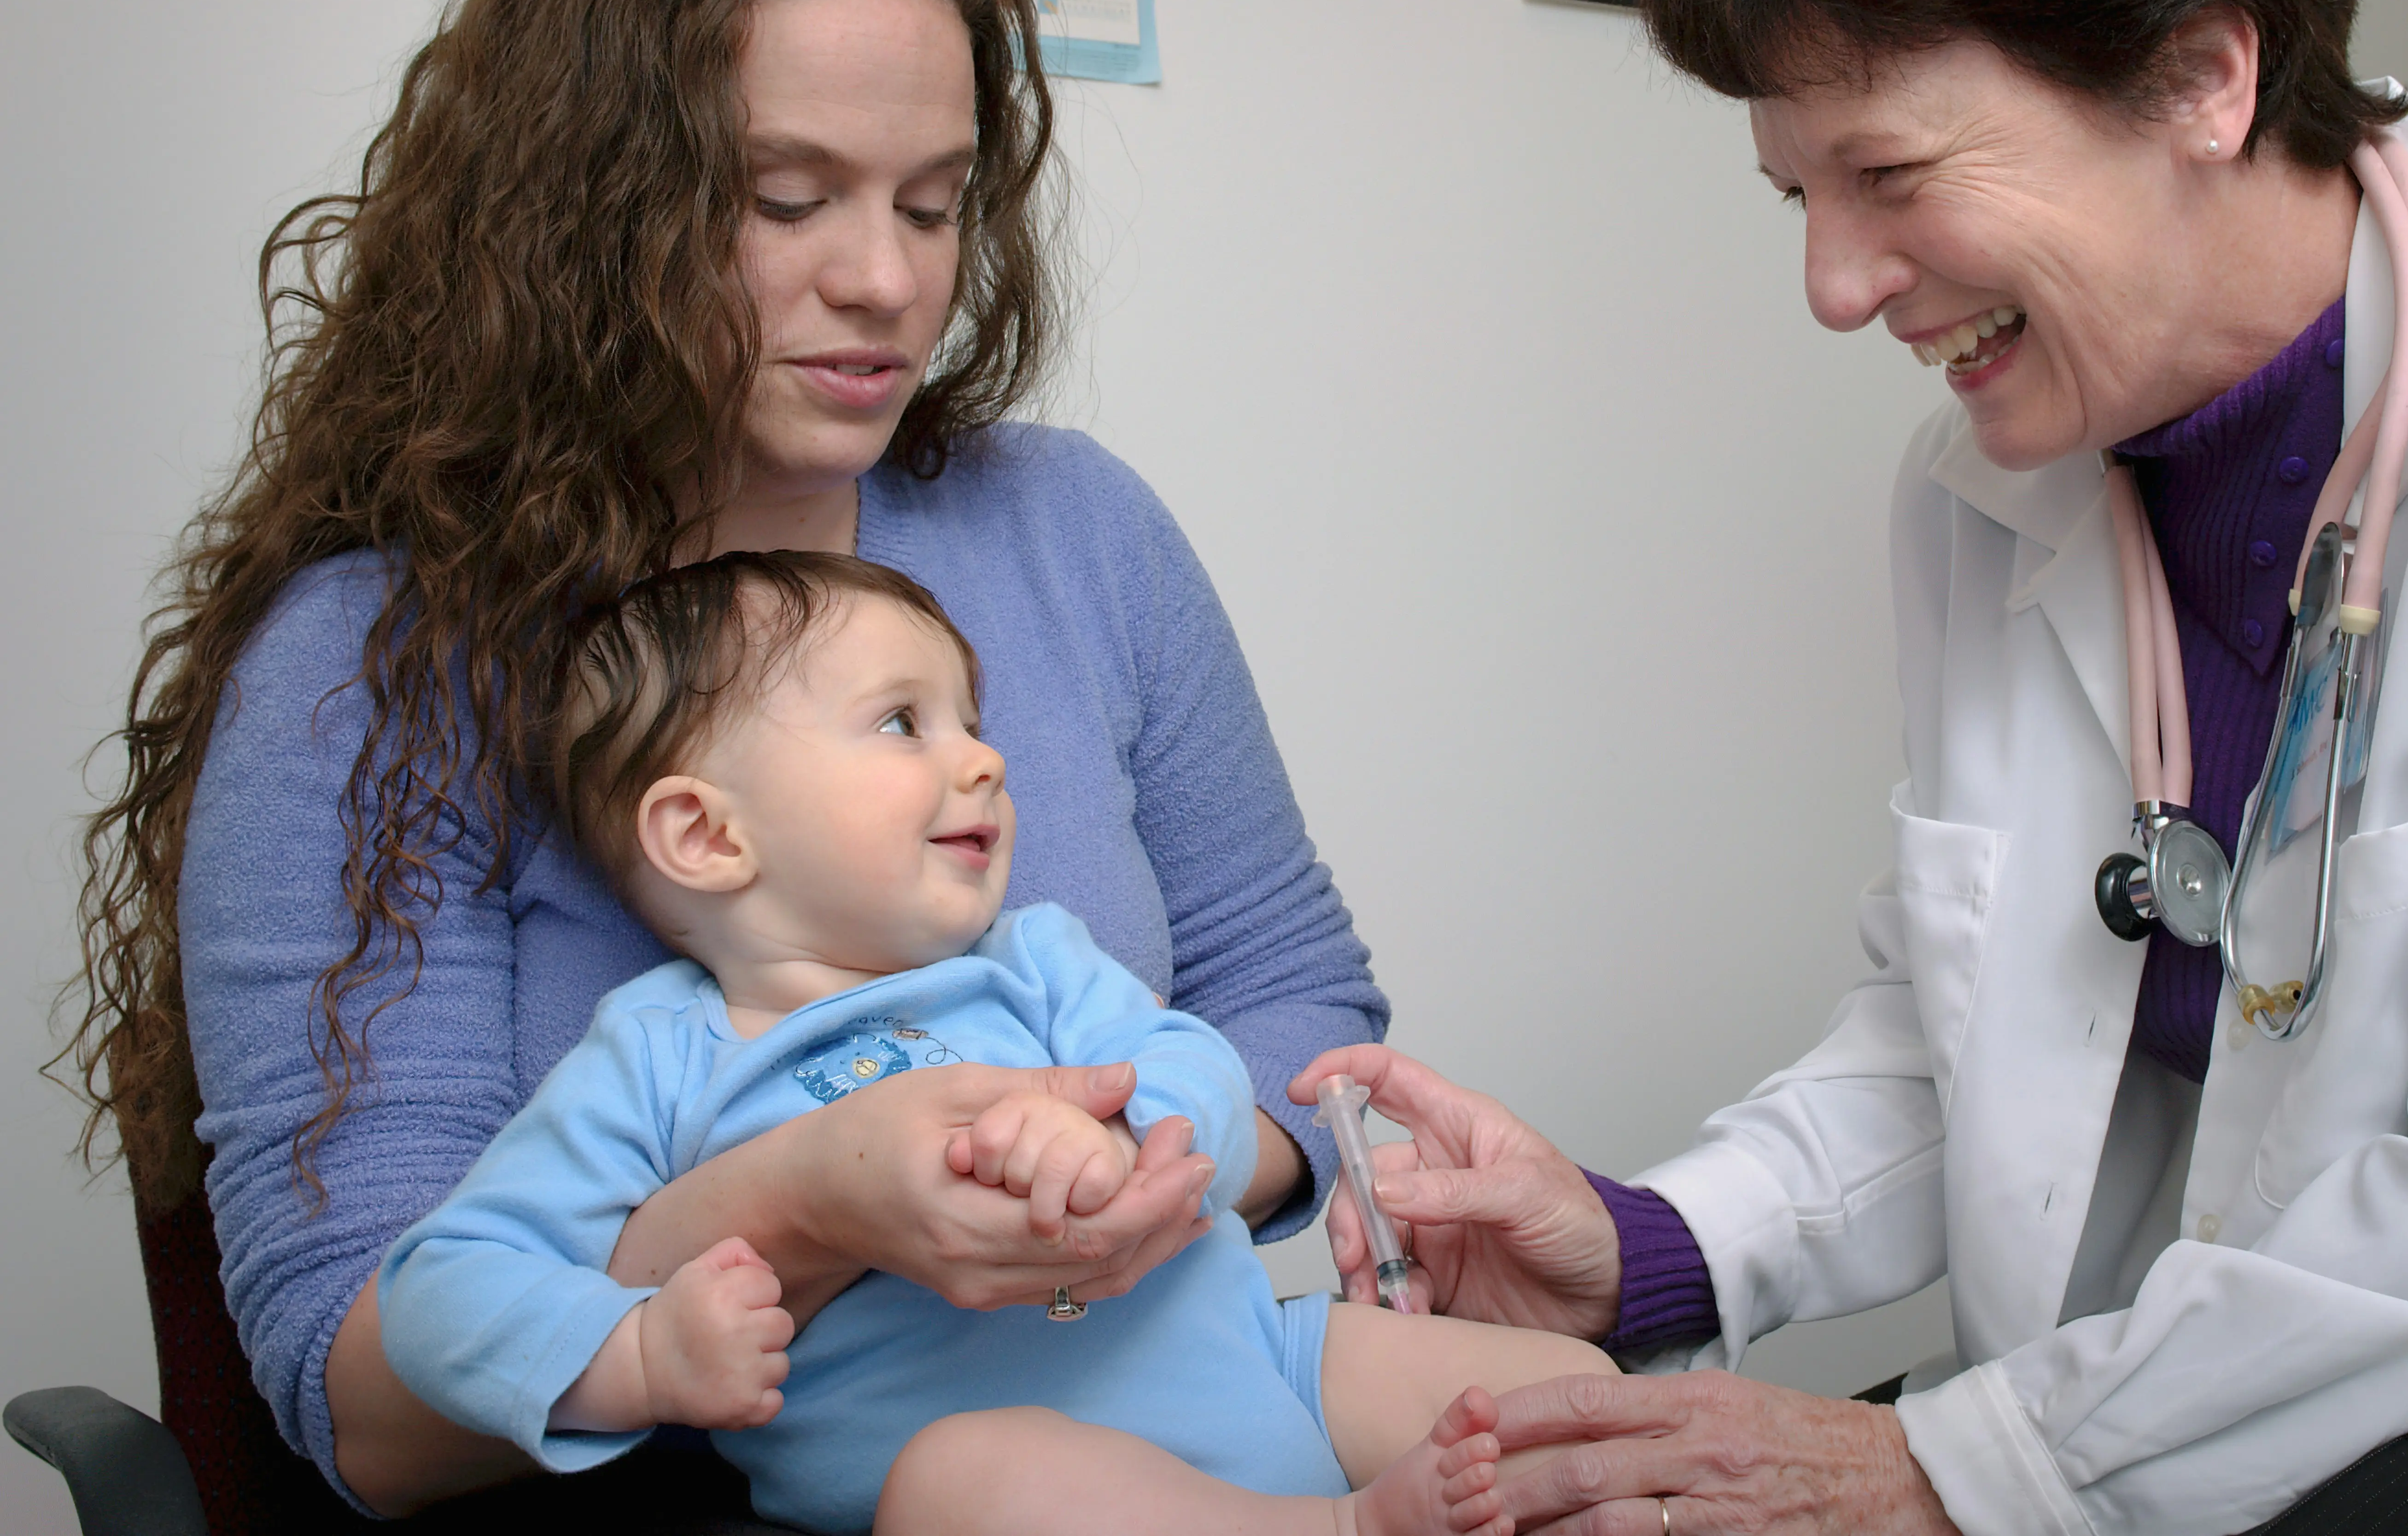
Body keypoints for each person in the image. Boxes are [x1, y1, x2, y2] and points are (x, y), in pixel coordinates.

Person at [1301, 0, 2408, 1532]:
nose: (1834, 287)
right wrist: (1645, 1239)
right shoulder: (1984, 484)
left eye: (1889, 179)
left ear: (2198, 76)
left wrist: (1952, 1463)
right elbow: (1964, 1027)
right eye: (1795, 193)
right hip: (2195, 1365)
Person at [60, 0, 1386, 1523]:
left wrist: (1157, 1164)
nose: (888, 280)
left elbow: (1294, 993)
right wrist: (814, 1207)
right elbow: (363, 1408)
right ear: (589, 212)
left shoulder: (1075, 533)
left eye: (935, 203)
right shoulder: (375, 670)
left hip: (1155, 1423)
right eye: (787, 199)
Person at [378, 549, 1611, 1536]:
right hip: (999, 1479)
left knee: (1581, 1401)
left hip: (1268, 1363)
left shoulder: (1034, 961)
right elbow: (442, 1290)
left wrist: (1122, 1129)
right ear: (706, 834)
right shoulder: (658, 1056)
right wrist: (638, 1349)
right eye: (903, 723)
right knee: (967, 1478)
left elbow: (1203, 1070)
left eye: (972, 718)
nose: (985, 756)